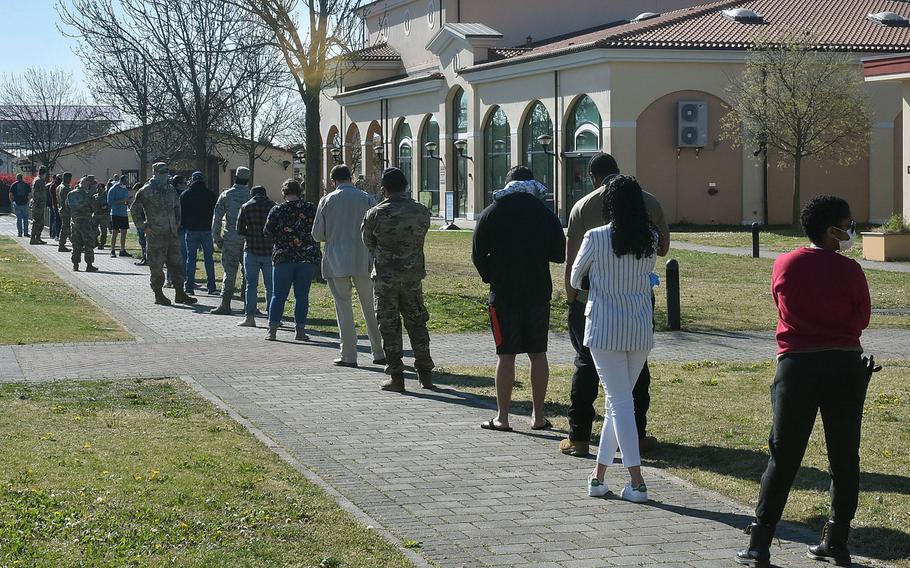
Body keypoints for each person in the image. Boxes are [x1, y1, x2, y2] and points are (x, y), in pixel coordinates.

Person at [736, 196, 877, 568]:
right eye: (848, 224)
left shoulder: (785, 263)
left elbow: (780, 305)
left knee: (783, 455)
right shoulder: (851, 271)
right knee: (844, 456)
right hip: (845, 365)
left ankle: (760, 542)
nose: (851, 230)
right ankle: (836, 539)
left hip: (796, 366)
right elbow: (862, 318)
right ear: (833, 232)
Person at [560, 153, 669, 458]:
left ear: (594, 177)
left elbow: (573, 266)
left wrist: (572, 299)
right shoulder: (651, 206)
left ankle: (579, 435)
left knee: (586, 367)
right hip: (637, 306)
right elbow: (663, 249)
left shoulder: (583, 209)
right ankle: (636, 434)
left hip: (594, 306)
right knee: (636, 375)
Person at [570, 175, 658, 503]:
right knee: (617, 402)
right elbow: (649, 274)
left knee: (620, 402)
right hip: (638, 328)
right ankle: (598, 477)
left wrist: (599, 280)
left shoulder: (595, 236)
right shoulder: (649, 237)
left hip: (604, 328)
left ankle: (637, 480)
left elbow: (576, 277)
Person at [472, 166, 565, 432]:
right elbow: (559, 254)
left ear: (507, 183)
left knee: (506, 354)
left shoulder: (492, 212)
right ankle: (538, 416)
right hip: (537, 292)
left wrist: (492, 276)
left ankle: (502, 417)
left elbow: (478, 254)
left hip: (503, 294)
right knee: (538, 353)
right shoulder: (543, 213)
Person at [361, 167, 434, 392]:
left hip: (385, 278)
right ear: (406, 187)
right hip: (412, 277)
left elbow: (368, 242)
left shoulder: (375, 214)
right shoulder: (421, 211)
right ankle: (425, 374)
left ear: (384, 190)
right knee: (417, 322)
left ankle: (396, 376)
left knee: (389, 325)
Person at [313, 165, 385, 367]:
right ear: (350, 178)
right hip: (363, 259)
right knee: (370, 307)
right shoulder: (366, 198)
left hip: (337, 260)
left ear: (333, 180)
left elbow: (317, 234)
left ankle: (348, 355)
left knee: (343, 308)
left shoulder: (326, 201)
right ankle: (379, 352)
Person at [130, 162, 198, 307]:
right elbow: (134, 209)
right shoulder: (145, 191)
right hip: (155, 235)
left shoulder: (170, 189)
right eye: (161, 172)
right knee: (156, 266)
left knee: (177, 264)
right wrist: (143, 226)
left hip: (172, 234)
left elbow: (177, 207)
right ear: (154, 173)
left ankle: (180, 293)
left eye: (166, 172)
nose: (164, 175)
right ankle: (158, 294)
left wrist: (177, 222)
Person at [263, 179, 321, 341]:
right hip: (306, 257)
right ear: (299, 191)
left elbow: (267, 232)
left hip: (283, 257)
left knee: (278, 295)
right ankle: (300, 331)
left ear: (284, 193)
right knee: (302, 295)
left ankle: (272, 331)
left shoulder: (277, 210)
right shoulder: (310, 209)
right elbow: (318, 229)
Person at [211, 167, 251, 315]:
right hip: (248, 239)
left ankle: (225, 304)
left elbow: (216, 218)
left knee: (229, 271)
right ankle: (249, 304)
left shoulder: (226, 195)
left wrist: (217, 237)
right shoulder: (251, 195)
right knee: (248, 272)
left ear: (235, 177)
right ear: (247, 179)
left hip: (231, 238)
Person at [236, 185, 275, 327]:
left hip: (252, 249)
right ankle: (272, 317)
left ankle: (250, 317)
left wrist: (250, 234)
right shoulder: (274, 206)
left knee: (251, 285)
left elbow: (239, 229)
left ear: (252, 194)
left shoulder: (246, 207)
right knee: (270, 286)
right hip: (269, 251)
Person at [180, 171, 218, 295]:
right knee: (209, 259)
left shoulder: (185, 195)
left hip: (191, 230)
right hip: (206, 230)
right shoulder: (210, 195)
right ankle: (211, 287)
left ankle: (189, 287)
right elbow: (214, 213)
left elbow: (181, 214)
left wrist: (185, 225)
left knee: (190, 259)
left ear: (192, 179)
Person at [66, 175, 100, 273]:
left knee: (76, 244)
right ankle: (89, 265)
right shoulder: (89, 195)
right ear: (86, 184)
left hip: (75, 222)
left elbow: (67, 206)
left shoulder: (71, 194)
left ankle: (75, 265)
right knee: (88, 244)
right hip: (86, 223)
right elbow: (94, 208)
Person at [107, 175, 132, 258]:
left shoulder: (125, 189)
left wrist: (128, 202)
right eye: (126, 181)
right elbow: (110, 202)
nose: (127, 183)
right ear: (121, 181)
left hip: (124, 213)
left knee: (124, 232)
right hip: (115, 213)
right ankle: (112, 250)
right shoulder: (113, 189)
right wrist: (121, 201)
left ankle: (122, 250)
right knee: (115, 232)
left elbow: (126, 199)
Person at [29, 166, 49, 245]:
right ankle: (33, 238)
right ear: (44, 173)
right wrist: (38, 203)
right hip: (38, 205)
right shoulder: (39, 181)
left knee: (40, 222)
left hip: (39, 204)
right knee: (37, 222)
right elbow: (37, 193)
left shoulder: (37, 180)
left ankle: (37, 237)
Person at [8, 173, 30, 238]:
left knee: (19, 219)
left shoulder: (14, 185)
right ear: (22, 178)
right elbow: (30, 194)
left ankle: (19, 233)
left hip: (17, 203)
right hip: (25, 203)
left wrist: (12, 201)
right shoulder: (26, 185)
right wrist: (28, 201)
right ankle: (26, 233)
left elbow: (10, 194)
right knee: (26, 219)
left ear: (17, 178)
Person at [131, 182, 148, 266]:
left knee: (143, 242)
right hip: (144, 222)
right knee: (143, 242)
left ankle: (145, 258)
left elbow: (134, 209)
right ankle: (145, 258)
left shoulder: (141, 198)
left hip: (142, 223)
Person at [56, 172, 74, 252]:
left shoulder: (59, 187)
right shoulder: (66, 188)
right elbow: (67, 201)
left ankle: (74, 243)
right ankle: (61, 245)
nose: (70, 180)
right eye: (70, 178)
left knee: (67, 227)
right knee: (66, 228)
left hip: (61, 209)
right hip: (66, 210)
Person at [93, 179, 110, 249]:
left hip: (103, 215)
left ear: (103, 188)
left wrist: (105, 207)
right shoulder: (95, 196)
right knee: (94, 229)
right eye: (97, 188)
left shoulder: (106, 196)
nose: (98, 189)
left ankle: (102, 243)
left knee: (104, 230)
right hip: (96, 215)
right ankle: (95, 242)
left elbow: (109, 205)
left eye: (100, 188)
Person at [48, 174, 62, 240]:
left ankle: (54, 234)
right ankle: (56, 234)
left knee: (55, 220)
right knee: (57, 220)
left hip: (54, 205)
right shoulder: (57, 186)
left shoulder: (52, 185)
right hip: (57, 205)